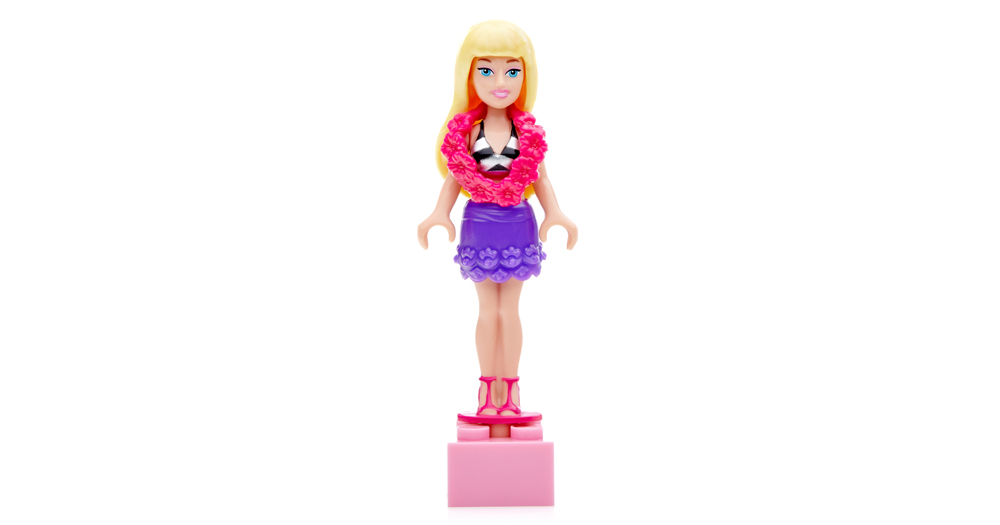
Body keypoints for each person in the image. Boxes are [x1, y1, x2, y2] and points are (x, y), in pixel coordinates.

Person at [417, 20, 577, 416]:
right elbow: (455, 177)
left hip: (518, 223)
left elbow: (540, 177)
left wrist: (554, 212)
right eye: (487, 70)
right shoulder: (468, 133)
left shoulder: (527, 132)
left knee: (510, 311)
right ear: (469, 75)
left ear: (526, 75)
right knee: (488, 311)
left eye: (512, 71)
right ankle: (488, 392)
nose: (500, 82)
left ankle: (512, 391)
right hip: (479, 225)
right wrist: (439, 213)